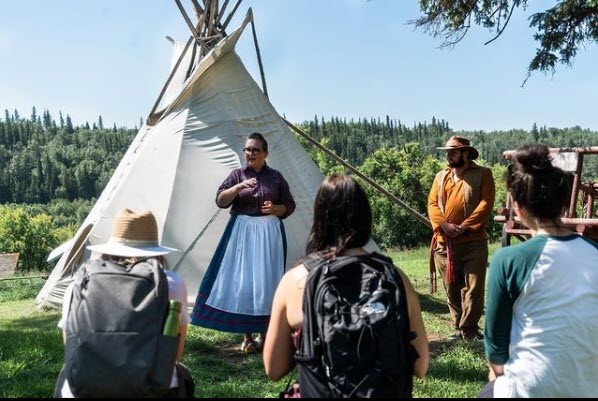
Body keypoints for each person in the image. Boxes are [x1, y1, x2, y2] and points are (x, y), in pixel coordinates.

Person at [263, 174, 429, 394]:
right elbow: (421, 366)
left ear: (320, 219)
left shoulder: (295, 280)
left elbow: (274, 369)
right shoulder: (395, 278)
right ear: (365, 218)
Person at [479, 144, 598, 398]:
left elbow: (496, 351)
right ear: (565, 202)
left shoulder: (509, 259)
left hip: (530, 389)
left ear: (518, 207)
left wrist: (498, 376)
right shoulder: (594, 254)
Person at [54, 208, 194, 398]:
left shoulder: (79, 284)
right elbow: (174, 353)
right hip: (153, 389)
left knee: (65, 375)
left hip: (85, 387)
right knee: (183, 375)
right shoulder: (171, 283)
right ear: (155, 250)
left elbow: (70, 342)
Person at [190, 132, 296, 354]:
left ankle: (265, 334)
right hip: (243, 233)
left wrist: (276, 209)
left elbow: (289, 205)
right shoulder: (237, 175)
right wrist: (238, 187)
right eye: (248, 149)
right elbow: (220, 200)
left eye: (255, 150)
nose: (250, 153)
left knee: (268, 282)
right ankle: (247, 337)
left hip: (269, 233)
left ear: (265, 153)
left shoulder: (276, 177)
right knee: (245, 283)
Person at [427, 135, 495, 341]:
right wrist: (445, 226)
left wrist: (464, 226)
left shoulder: (483, 174)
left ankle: (470, 329)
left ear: (466, 153)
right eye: (447, 152)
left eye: (453, 152)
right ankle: (458, 327)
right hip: (445, 243)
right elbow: (432, 204)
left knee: (474, 287)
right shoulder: (440, 177)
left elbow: (486, 203)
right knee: (452, 287)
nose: (448, 155)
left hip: (473, 241)